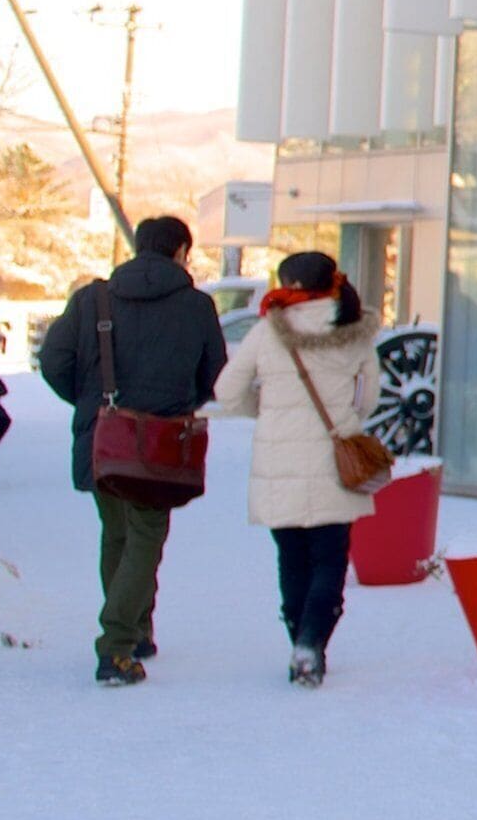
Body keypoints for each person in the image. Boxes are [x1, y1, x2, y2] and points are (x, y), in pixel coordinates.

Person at [39, 217, 229, 685]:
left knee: (116, 534)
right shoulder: (196, 306)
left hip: (102, 436)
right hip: (161, 440)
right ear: (181, 250)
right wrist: (180, 402)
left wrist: (92, 404)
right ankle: (117, 647)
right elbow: (215, 375)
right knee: (145, 537)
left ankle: (137, 630)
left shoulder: (93, 298)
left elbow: (53, 361)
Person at [214, 250, 382, 686]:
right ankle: (312, 643)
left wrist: (267, 410)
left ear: (288, 282)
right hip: (335, 461)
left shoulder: (268, 330)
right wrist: (343, 417)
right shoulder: (354, 329)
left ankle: (300, 643)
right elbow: (368, 400)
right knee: (329, 561)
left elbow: (227, 392)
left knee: (291, 558)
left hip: (279, 461)